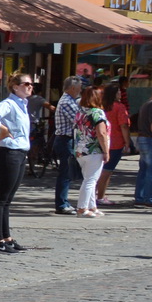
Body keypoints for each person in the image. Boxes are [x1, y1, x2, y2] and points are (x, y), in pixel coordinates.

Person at [0, 72, 37, 253]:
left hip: (20, 153)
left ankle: (7, 238)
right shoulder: (9, 104)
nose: (30, 87)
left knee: (7, 199)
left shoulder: (22, 105)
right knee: (0, 198)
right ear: (15, 87)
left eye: (31, 84)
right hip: (9, 153)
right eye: (26, 84)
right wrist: (2, 129)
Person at [72, 86, 110, 217]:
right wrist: (106, 151)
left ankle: (92, 206)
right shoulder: (97, 113)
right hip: (94, 150)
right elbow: (101, 133)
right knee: (90, 180)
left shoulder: (80, 112)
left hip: (80, 150)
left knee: (90, 178)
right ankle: (82, 208)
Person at [52, 77, 84, 214]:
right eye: (79, 88)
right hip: (65, 140)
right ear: (72, 88)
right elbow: (78, 120)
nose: (80, 91)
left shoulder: (71, 101)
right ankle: (61, 204)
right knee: (65, 173)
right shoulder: (66, 102)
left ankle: (64, 202)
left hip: (68, 140)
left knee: (68, 172)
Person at [98, 83, 131, 204]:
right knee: (107, 171)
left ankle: (98, 195)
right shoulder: (119, 107)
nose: (120, 94)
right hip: (115, 141)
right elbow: (123, 125)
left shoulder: (101, 106)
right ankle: (100, 197)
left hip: (101, 141)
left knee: (100, 170)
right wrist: (127, 142)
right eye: (118, 92)